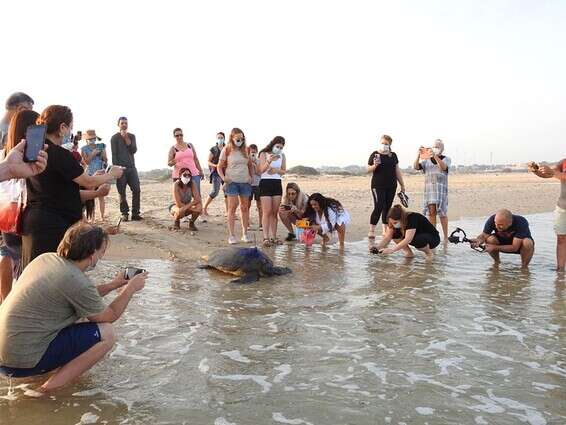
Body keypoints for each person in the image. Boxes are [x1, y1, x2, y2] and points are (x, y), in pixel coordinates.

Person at [0, 223, 148, 393]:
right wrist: (130, 289)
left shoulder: (47, 259)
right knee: (107, 333)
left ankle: (43, 376)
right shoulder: (75, 280)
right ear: (92, 254)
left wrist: (114, 285)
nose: (102, 256)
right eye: (102, 251)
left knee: (83, 319)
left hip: (5, 356)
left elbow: (83, 298)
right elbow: (110, 315)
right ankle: (45, 391)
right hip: (19, 364)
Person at [21, 105, 123, 270]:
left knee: (33, 277)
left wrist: (96, 189)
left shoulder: (36, 151)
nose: (70, 133)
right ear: (62, 128)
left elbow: (61, 191)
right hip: (52, 226)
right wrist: (112, 174)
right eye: (70, 127)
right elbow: (87, 181)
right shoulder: (58, 153)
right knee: (53, 277)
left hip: (35, 222)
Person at [0, 109, 40, 302]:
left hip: (7, 221)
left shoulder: (5, 154)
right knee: (28, 279)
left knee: (16, 266)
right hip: (24, 222)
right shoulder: (32, 160)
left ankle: (6, 307)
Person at [217, 128, 253, 244]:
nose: (240, 140)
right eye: (238, 138)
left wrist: (251, 177)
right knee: (232, 208)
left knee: (244, 208)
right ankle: (232, 235)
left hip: (245, 182)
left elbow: (250, 165)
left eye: (242, 138)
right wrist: (223, 178)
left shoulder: (246, 150)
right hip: (231, 182)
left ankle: (244, 234)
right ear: (232, 138)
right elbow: (219, 166)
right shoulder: (226, 150)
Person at [529, 159, 566, 271]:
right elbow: (548, 174)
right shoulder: (563, 162)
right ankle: (560, 270)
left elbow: (561, 176)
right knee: (561, 239)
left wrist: (553, 172)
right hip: (562, 207)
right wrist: (536, 170)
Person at [367, 134, 406, 239]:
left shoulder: (393, 155)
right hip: (377, 185)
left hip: (392, 185)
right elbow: (368, 169)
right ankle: (372, 230)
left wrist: (402, 185)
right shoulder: (375, 154)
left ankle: (385, 230)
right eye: (382, 143)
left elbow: (397, 170)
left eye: (386, 144)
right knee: (379, 205)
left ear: (389, 145)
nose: (384, 145)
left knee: (387, 207)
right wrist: (375, 165)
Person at [414, 139, 451, 240]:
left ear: (442, 149)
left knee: (442, 213)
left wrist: (435, 156)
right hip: (430, 190)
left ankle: (445, 237)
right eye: (434, 146)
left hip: (441, 190)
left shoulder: (446, 159)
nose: (435, 148)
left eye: (438, 147)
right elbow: (416, 166)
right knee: (431, 212)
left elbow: (443, 167)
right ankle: (433, 234)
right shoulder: (426, 161)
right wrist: (418, 155)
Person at [371, 204, 440, 259]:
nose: (393, 225)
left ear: (402, 218)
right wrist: (377, 248)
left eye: (395, 223)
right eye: (391, 223)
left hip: (433, 238)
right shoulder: (392, 222)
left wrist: (391, 250)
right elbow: (387, 237)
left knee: (416, 240)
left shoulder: (412, 217)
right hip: (416, 236)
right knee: (395, 234)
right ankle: (409, 253)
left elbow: (408, 239)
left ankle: (429, 253)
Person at [257, 136, 287, 246]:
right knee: (267, 211)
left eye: (281, 147)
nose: (279, 149)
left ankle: (274, 237)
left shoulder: (282, 155)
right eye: (277, 146)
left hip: (277, 183)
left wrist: (277, 170)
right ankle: (266, 237)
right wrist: (269, 160)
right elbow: (261, 170)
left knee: (274, 212)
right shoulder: (263, 153)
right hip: (265, 183)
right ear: (273, 144)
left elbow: (283, 170)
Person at [111, 117, 141, 221]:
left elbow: (134, 150)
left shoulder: (132, 136)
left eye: (126, 123)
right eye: (122, 123)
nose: (124, 124)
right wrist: (116, 169)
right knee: (121, 192)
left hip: (132, 168)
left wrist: (126, 138)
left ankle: (135, 213)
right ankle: (124, 213)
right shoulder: (114, 138)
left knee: (137, 190)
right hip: (121, 169)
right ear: (118, 124)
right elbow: (114, 155)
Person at [81, 130, 109, 220]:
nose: (92, 140)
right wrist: (93, 154)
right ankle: (91, 218)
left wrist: (102, 153)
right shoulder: (83, 149)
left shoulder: (101, 146)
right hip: (90, 174)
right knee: (91, 196)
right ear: (87, 140)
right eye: (90, 139)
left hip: (100, 173)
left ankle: (102, 216)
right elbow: (86, 162)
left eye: (93, 138)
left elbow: (106, 160)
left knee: (101, 196)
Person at [167, 128, 204, 192]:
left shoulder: (190, 145)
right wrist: (173, 162)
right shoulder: (173, 148)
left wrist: (200, 171)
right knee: (182, 198)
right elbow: (169, 163)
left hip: (194, 174)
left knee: (197, 195)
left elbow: (196, 159)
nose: (179, 137)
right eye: (177, 135)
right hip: (179, 176)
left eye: (181, 135)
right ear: (174, 136)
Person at [202, 132, 227, 220]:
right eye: (218, 137)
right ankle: (204, 208)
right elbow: (208, 161)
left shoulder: (227, 148)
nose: (220, 139)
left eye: (221, 137)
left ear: (224, 138)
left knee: (227, 192)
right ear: (216, 139)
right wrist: (216, 166)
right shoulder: (213, 149)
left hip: (226, 172)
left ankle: (228, 212)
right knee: (215, 191)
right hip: (216, 173)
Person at [248, 144, 262, 231]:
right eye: (251, 152)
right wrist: (250, 163)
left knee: (259, 206)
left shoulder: (259, 161)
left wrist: (254, 164)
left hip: (258, 185)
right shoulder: (246, 161)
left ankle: (261, 224)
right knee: (247, 206)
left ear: (257, 152)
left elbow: (259, 173)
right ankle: (247, 224)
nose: (253, 154)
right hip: (248, 185)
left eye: (254, 152)